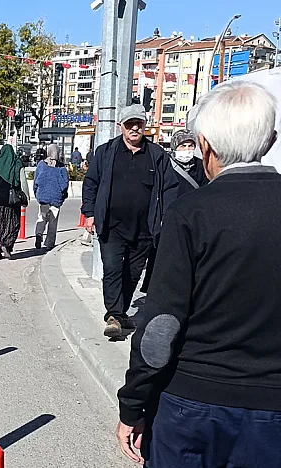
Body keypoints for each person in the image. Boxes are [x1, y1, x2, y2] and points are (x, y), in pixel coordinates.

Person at [116, 80, 281, 467]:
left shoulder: (191, 212)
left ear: (204, 145)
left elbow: (160, 326)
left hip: (193, 403)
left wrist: (133, 403)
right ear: (270, 140)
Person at [81, 103, 175, 339]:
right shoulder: (105, 152)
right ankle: (114, 314)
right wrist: (90, 213)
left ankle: (120, 312)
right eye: (129, 124)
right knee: (112, 269)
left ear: (145, 126)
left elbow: (170, 189)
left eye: (139, 124)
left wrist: (167, 220)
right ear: (120, 126)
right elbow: (91, 183)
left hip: (144, 229)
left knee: (133, 273)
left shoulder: (157, 155)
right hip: (111, 226)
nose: (134, 128)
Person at [139, 129, 207, 293]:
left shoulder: (201, 166)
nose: (187, 150)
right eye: (183, 145)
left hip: (194, 222)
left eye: (190, 145)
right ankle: (156, 291)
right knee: (163, 259)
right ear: (175, 147)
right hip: (169, 220)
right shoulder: (165, 165)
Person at [0, 145, 30, 260]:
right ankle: (7, 245)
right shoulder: (18, 164)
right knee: (13, 225)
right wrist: (26, 197)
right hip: (13, 201)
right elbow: (23, 182)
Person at [33, 144, 69, 250]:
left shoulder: (41, 164)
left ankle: (38, 234)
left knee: (42, 217)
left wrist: (37, 193)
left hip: (43, 197)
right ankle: (49, 243)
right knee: (53, 221)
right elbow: (65, 184)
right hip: (56, 197)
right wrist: (63, 194)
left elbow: (36, 181)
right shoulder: (61, 167)